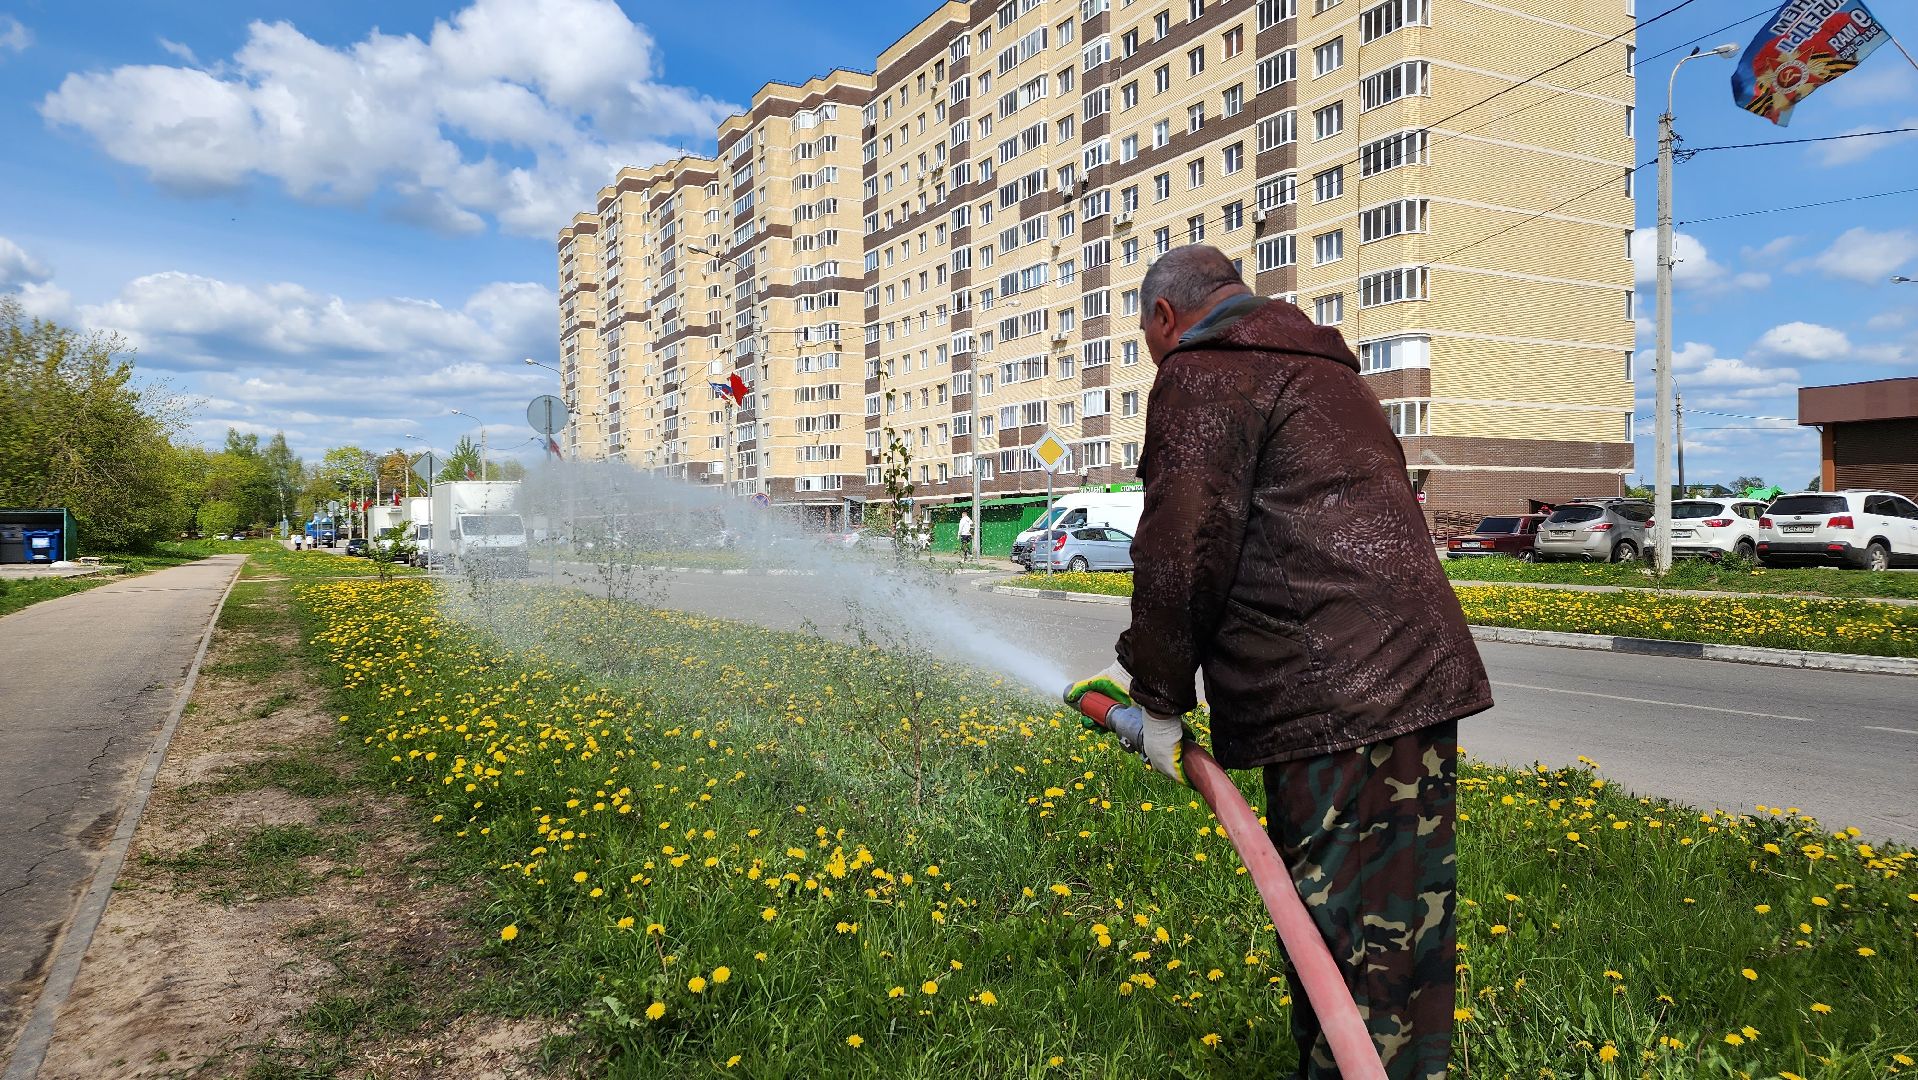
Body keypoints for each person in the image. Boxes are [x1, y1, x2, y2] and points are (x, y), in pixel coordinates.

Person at [1067, 246, 1491, 1079]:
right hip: (1409, 685)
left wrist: (1155, 700)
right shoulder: (1323, 371)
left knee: (1345, 949)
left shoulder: (1207, 371)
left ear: (1163, 318)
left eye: (1149, 339)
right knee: (1398, 943)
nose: (1156, 356)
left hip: (1335, 699)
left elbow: (1183, 544)